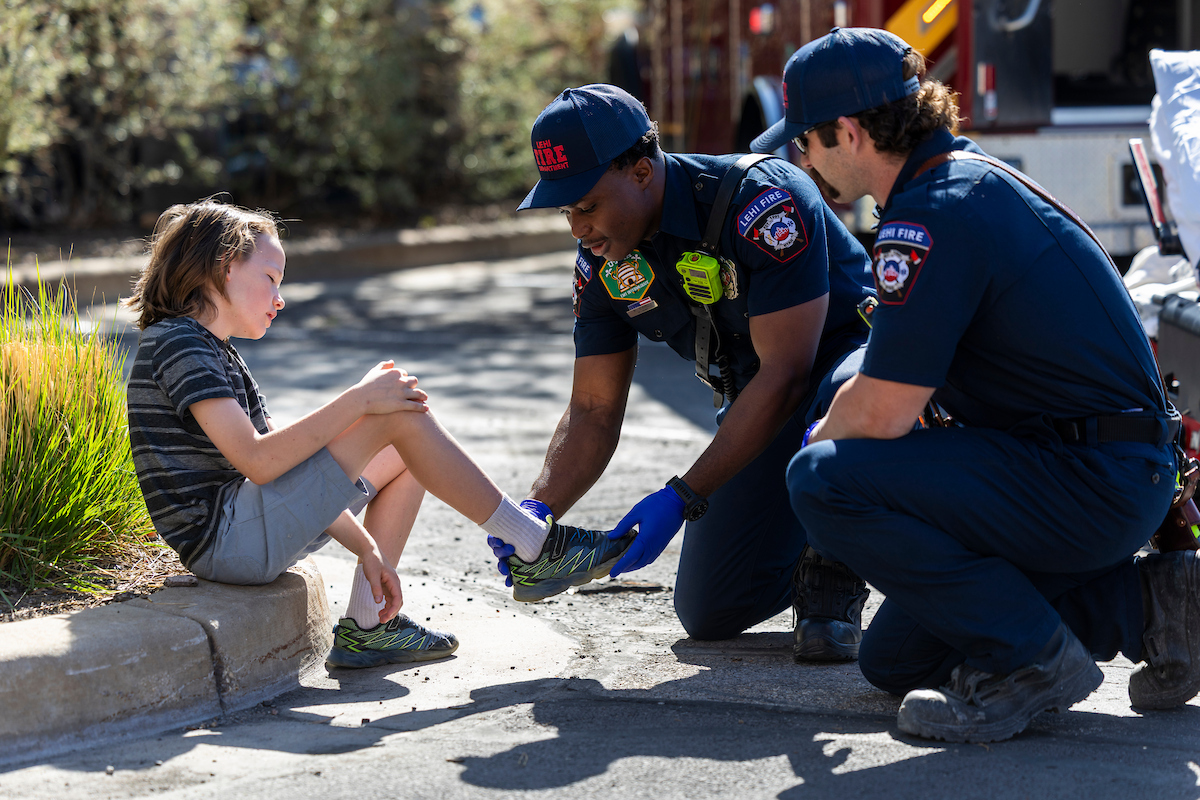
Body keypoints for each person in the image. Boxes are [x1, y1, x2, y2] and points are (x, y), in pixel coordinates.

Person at [757, 28, 1199, 743]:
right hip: (1097, 469)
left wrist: (816, 461)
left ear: (847, 131)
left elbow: (883, 408)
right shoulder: (956, 182)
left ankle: (1033, 667)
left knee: (820, 479)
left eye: (803, 142)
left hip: (1087, 478)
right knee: (896, 658)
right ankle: (1152, 606)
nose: (800, 159)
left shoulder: (937, 210)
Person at [124, 198, 627, 670]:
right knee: (392, 416)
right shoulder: (179, 344)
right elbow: (258, 461)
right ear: (225, 267)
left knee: (403, 443)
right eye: (272, 278)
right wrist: (360, 400)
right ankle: (531, 545)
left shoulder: (212, 348)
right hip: (228, 540)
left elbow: (287, 470)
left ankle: (369, 625)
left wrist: (367, 550)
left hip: (246, 529)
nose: (280, 298)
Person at [491, 83, 877, 662]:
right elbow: (595, 408)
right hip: (758, 395)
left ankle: (837, 572)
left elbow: (789, 374)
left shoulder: (760, 200)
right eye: (566, 210)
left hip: (847, 377)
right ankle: (814, 533)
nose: (577, 228)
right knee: (710, 609)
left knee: (841, 395)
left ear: (642, 171)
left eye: (587, 205)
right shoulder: (602, 261)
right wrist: (537, 510)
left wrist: (682, 495)